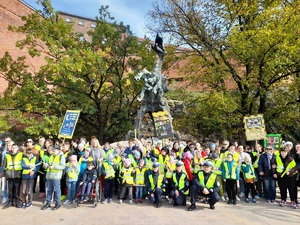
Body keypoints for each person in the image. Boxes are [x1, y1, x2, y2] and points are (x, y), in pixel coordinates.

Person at [41, 145, 66, 210]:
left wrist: (54, 167)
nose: (53, 152)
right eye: (53, 151)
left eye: (54, 151)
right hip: (49, 175)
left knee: (57, 190)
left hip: (56, 176)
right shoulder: (51, 156)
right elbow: (49, 164)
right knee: (49, 190)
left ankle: (58, 203)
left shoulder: (61, 157)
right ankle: (48, 203)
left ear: (58, 151)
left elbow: (63, 166)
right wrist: (46, 165)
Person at [3, 143, 23, 209]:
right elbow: (4, 165)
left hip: (17, 174)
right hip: (9, 175)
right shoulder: (7, 155)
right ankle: (10, 201)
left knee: (17, 189)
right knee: (10, 189)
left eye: (15, 147)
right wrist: (5, 173)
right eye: (13, 147)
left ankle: (17, 202)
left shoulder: (21, 155)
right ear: (11, 148)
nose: (14, 149)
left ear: (17, 149)